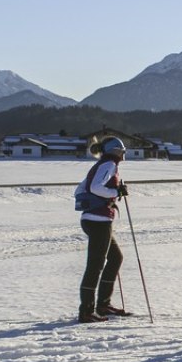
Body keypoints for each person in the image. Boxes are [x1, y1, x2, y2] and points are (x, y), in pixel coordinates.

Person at [74, 137, 132, 323]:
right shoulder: (108, 164)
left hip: (94, 218)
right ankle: (86, 311)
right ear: (115, 150)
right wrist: (116, 193)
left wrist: (114, 191)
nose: (124, 154)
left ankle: (103, 305)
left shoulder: (103, 164)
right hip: (98, 220)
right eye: (122, 150)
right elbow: (94, 187)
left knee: (115, 258)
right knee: (95, 266)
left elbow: (80, 190)